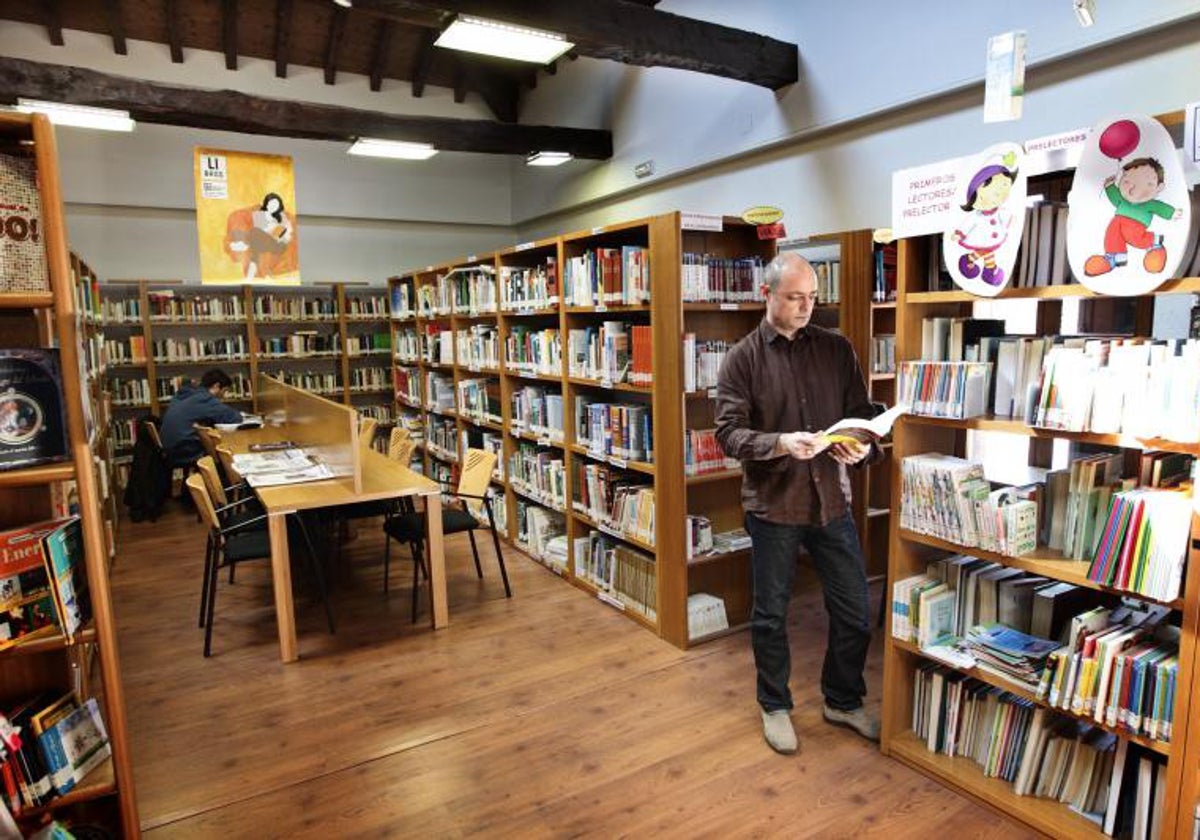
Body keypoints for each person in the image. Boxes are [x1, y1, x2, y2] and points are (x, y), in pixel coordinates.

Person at [715, 252, 880, 756]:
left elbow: (862, 414)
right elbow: (728, 433)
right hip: (774, 504)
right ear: (767, 295)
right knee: (770, 615)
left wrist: (862, 443)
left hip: (831, 498)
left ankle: (842, 699)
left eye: (812, 298)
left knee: (855, 608)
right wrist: (781, 443)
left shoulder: (835, 349)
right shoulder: (742, 358)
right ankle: (774, 704)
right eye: (794, 298)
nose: (807, 307)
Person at [1084, 157, 1181, 276]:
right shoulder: (1122, 200)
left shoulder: (1149, 204)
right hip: (1117, 223)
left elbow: (1160, 207)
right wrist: (1109, 186)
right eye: (1127, 181)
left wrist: (1171, 213)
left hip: (1136, 227)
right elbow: (1114, 197)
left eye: (1147, 184)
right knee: (1112, 236)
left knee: (1137, 238)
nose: (1133, 189)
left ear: (1159, 188)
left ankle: (1154, 244)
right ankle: (1114, 257)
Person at [952, 160, 1019, 286]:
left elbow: (1007, 217)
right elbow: (967, 225)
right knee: (987, 252)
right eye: (996, 191)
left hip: (992, 239)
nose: (1000, 196)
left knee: (987, 251)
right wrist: (960, 234)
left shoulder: (1000, 211)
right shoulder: (976, 216)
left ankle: (970, 261)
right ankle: (989, 270)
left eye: (1005, 188)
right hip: (979, 238)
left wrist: (1012, 220)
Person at [160, 369, 242, 466]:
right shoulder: (204, 398)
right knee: (225, 452)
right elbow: (235, 418)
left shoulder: (185, 394)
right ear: (216, 386)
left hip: (169, 449)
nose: (223, 396)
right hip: (184, 451)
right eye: (224, 391)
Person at [228, 192, 294, 280]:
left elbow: (288, 232)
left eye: (276, 204)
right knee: (256, 246)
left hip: (278, 243)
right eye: (271, 204)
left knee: (255, 236)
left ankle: (244, 244)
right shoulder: (258, 215)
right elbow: (262, 232)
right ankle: (253, 276)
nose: (273, 206)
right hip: (262, 242)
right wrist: (269, 228)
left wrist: (280, 235)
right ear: (266, 204)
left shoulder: (281, 217)